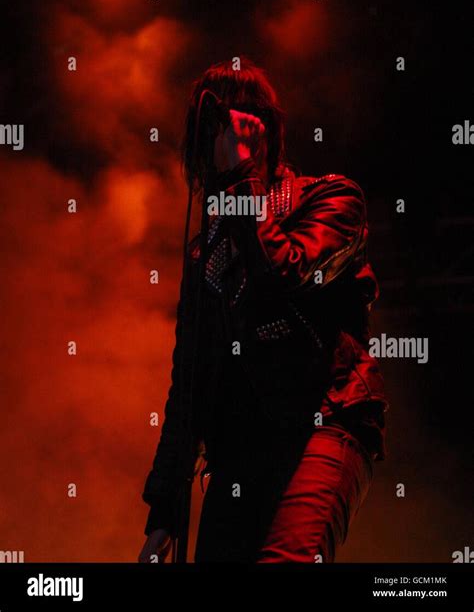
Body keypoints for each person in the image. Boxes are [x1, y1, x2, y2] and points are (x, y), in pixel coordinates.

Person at [138, 59, 388, 563]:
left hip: (326, 422)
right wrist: (165, 510)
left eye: (225, 131)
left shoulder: (331, 198)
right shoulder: (203, 253)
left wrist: (243, 178)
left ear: (260, 132)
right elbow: (187, 383)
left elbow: (284, 279)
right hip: (239, 453)